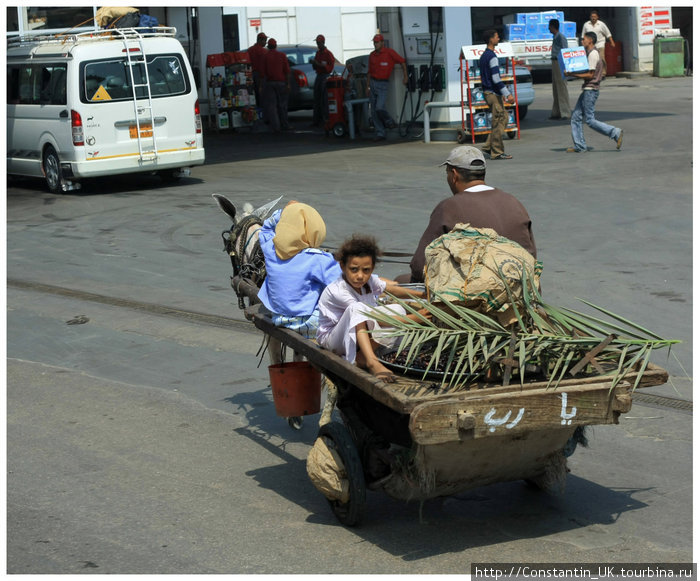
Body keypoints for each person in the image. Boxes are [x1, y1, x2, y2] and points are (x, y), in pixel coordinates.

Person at [408, 146, 536, 283]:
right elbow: (531, 254)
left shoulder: (448, 208)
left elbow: (420, 267)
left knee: (401, 282)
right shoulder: (514, 202)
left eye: (447, 173)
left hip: (475, 295)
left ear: (454, 175)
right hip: (521, 290)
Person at [317, 235, 427, 382]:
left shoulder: (368, 281)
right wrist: (415, 318)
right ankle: (371, 361)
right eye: (354, 269)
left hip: (359, 335)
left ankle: (363, 355)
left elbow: (391, 289)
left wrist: (423, 295)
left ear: (372, 268)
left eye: (366, 270)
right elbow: (371, 317)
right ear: (343, 266)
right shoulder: (338, 291)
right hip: (334, 339)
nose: (360, 276)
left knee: (398, 309)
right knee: (357, 309)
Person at [257, 201, 341, 339]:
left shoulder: (270, 249)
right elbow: (347, 282)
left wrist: (284, 212)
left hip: (278, 317)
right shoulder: (317, 259)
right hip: (308, 323)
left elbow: (266, 228)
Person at [566, 31, 624, 153]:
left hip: (590, 90)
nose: (582, 41)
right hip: (588, 89)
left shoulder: (592, 55)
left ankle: (615, 132)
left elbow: (589, 75)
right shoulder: (590, 53)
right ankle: (580, 146)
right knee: (576, 117)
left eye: (584, 39)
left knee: (590, 120)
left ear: (590, 41)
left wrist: (571, 74)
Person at [479, 30, 515, 160]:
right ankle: (497, 151)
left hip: (488, 93)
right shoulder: (492, 57)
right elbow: (496, 78)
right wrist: (508, 94)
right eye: (496, 36)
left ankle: (488, 146)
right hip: (493, 93)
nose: (498, 38)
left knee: (502, 118)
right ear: (491, 40)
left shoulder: (483, 56)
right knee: (500, 121)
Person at [366, 34, 408, 142]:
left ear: (382, 42)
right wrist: (367, 86)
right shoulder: (372, 55)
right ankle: (380, 133)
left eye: (377, 42)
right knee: (374, 111)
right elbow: (369, 72)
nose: (375, 44)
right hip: (373, 83)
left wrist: (405, 76)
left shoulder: (389, 53)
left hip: (383, 84)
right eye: (374, 42)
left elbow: (402, 61)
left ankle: (389, 122)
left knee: (379, 107)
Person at [262, 38, 292, 132]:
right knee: (282, 105)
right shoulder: (282, 55)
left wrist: (260, 85)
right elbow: (287, 71)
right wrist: (288, 84)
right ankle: (285, 125)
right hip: (281, 83)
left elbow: (263, 73)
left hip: (270, 83)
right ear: (275, 45)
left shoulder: (265, 56)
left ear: (268, 46)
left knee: (272, 106)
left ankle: (276, 127)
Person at [309, 34, 336, 127]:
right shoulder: (318, 53)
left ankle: (326, 119)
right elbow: (316, 66)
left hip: (325, 77)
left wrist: (318, 64)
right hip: (319, 76)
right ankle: (316, 120)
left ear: (323, 43)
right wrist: (314, 64)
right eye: (317, 43)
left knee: (325, 99)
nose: (318, 45)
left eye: (319, 43)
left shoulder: (328, 54)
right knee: (317, 99)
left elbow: (329, 68)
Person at [548, 19, 571, 120]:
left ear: (553, 27)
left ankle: (565, 112)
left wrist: (565, 66)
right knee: (555, 88)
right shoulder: (555, 37)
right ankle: (556, 112)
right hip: (554, 61)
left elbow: (565, 50)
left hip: (559, 62)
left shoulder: (561, 37)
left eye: (549, 26)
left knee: (561, 87)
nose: (548, 28)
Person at [248, 32, 268, 108]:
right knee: (262, 96)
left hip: (251, 76)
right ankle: (262, 114)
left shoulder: (250, 50)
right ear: (260, 40)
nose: (266, 42)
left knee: (253, 96)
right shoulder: (264, 51)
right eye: (265, 40)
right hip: (261, 76)